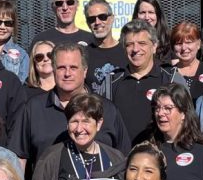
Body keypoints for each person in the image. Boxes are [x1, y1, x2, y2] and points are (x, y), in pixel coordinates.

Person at [9, 44, 130, 172]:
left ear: (84, 71)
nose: (67, 73)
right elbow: (18, 158)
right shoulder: (33, 108)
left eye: (73, 68)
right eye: (61, 68)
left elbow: (124, 157)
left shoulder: (107, 109)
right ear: (54, 70)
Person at [100, 20, 174, 143]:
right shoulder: (111, 82)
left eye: (142, 43)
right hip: (121, 159)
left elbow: (184, 121)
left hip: (160, 157)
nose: (135, 49)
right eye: (129, 44)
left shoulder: (170, 78)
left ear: (154, 46)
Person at [84, 0, 125, 91]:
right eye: (92, 19)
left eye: (102, 17)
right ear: (87, 23)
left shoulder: (127, 51)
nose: (97, 22)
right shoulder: (83, 54)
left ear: (112, 18)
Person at [0, 0, 29, 82]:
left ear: (14, 26)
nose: (2, 27)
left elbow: (20, 87)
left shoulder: (22, 55)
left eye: (8, 23)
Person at [170, 21, 203, 102]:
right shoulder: (168, 73)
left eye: (188, 42)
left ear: (198, 44)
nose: (184, 48)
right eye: (179, 43)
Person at [133, 0, 171, 64]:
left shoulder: (169, 40)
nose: (147, 17)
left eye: (151, 12)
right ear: (136, 15)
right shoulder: (127, 38)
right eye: (143, 12)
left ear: (158, 15)